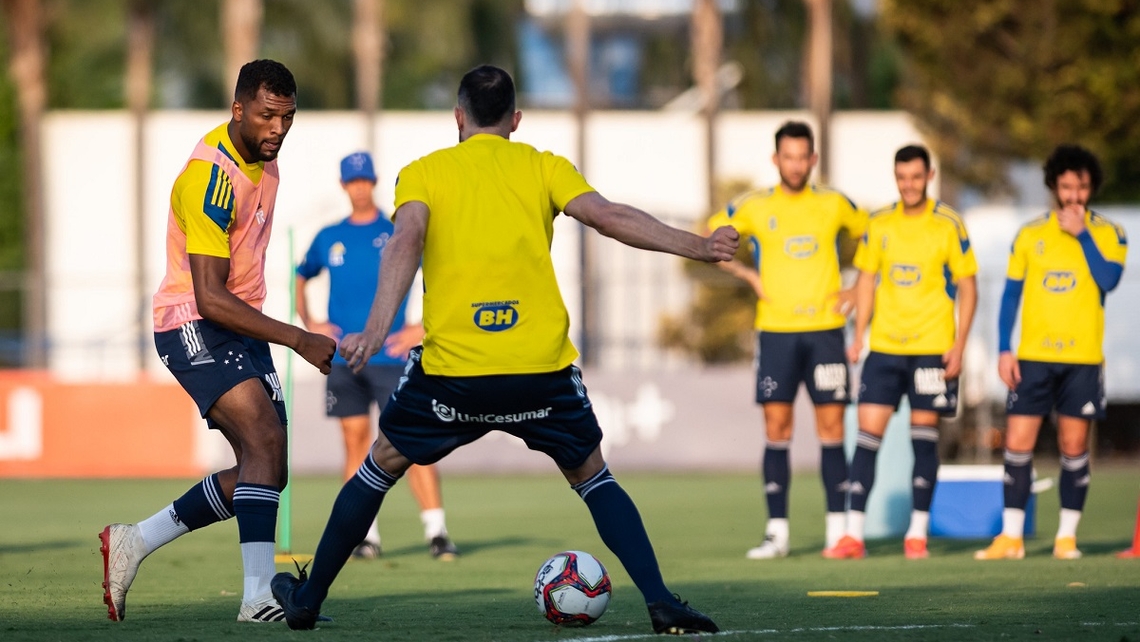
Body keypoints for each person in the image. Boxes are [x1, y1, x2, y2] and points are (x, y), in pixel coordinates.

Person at [270, 64, 735, 635]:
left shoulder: (424, 172)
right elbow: (609, 217)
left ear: (458, 117)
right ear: (515, 119)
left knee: (378, 466)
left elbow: (406, 240)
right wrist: (701, 247)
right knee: (593, 476)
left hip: (454, 375)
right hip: (540, 372)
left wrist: (371, 330)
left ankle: (307, 600)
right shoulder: (544, 166)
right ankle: (661, 601)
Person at [99, 59, 336, 623]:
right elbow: (208, 296)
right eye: (267, 115)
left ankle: (135, 540)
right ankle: (256, 599)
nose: (277, 128)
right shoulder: (211, 178)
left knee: (267, 467)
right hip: (193, 320)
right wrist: (298, 338)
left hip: (240, 324)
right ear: (238, 109)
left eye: (287, 117)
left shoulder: (265, 159)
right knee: (263, 440)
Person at [708, 121, 867, 559]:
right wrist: (747, 274)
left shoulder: (835, 203)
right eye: (788, 157)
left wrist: (857, 288)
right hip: (776, 332)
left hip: (826, 331)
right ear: (775, 159)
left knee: (832, 429)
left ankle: (838, 533)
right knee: (777, 429)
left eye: (803, 157)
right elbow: (710, 238)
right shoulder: (755, 206)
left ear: (813, 159)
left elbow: (877, 240)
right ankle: (777, 534)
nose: (796, 165)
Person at [295, 151, 458, 560]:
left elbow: (443, 273)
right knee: (355, 444)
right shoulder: (329, 236)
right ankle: (365, 535)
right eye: (352, 182)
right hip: (344, 358)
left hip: (391, 357)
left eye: (365, 180)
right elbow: (301, 275)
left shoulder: (396, 231)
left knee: (412, 442)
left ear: (374, 182)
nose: (359, 188)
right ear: (343, 186)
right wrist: (310, 323)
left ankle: (437, 531)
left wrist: (423, 327)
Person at [824, 144, 977, 560]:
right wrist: (859, 336)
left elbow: (968, 287)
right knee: (867, 437)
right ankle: (853, 535)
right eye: (902, 177)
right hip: (886, 349)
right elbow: (866, 281)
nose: (909, 184)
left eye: (916, 177)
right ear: (896, 178)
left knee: (923, 440)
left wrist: (959, 345)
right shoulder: (880, 223)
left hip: (932, 349)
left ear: (929, 176)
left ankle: (917, 534)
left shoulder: (949, 224)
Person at [976, 144, 1127, 561]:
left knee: (1073, 446)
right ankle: (1011, 538)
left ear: (1092, 188)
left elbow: (1109, 280)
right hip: (1033, 359)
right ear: (1053, 187)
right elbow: (1010, 296)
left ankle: (1066, 537)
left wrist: (1082, 235)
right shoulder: (1030, 234)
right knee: (1016, 443)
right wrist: (1004, 349)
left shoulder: (1110, 233)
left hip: (1082, 359)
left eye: (1082, 187)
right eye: (1066, 187)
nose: (1074, 195)